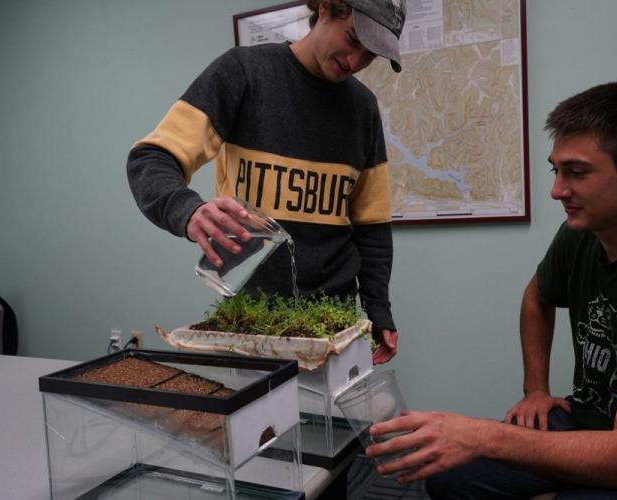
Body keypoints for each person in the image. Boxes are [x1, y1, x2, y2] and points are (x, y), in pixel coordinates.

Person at [366, 82, 617, 498]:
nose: (557, 190)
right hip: (596, 420)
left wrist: (480, 435)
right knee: (448, 475)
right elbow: (537, 297)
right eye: (555, 171)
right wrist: (535, 390)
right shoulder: (584, 233)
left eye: (577, 173)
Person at [127, 0, 407, 364]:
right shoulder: (243, 72)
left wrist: (378, 309)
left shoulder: (363, 108)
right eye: (353, 39)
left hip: (334, 324)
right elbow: (151, 157)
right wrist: (188, 210)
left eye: (370, 55)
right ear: (326, 8)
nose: (355, 62)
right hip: (250, 317)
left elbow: (371, 227)